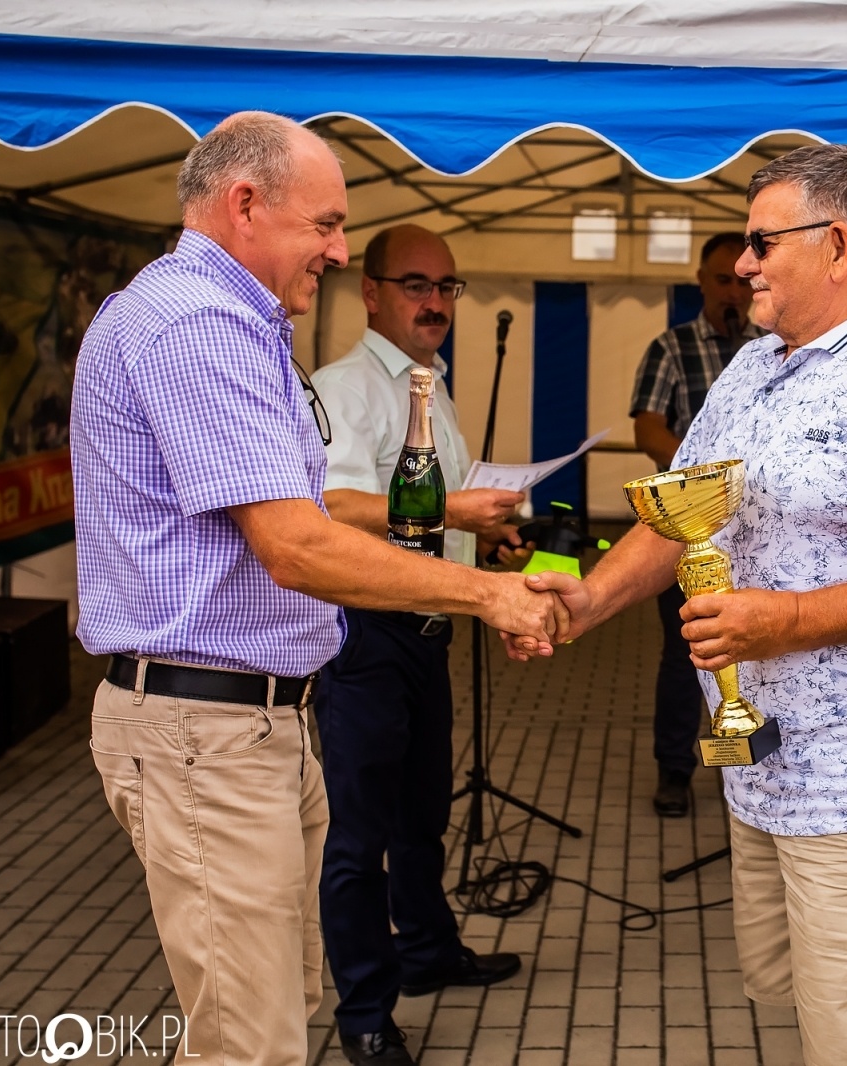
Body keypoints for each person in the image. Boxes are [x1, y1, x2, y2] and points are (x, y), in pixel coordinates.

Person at [510, 144, 847, 1066]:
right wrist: (586, 600)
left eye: (761, 241)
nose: (742, 261)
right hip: (774, 776)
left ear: (837, 244)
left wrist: (787, 621)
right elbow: (682, 507)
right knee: (809, 1015)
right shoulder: (755, 368)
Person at [69, 112, 566, 1066]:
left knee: (269, 1013)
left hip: (248, 721)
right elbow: (298, 543)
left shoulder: (224, 319)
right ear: (244, 203)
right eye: (326, 225)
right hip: (203, 731)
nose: (340, 253)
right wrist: (490, 598)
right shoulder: (197, 324)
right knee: (250, 1039)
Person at [309, 224, 526, 1065]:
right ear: (370, 292)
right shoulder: (343, 386)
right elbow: (327, 508)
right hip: (363, 635)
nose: (435, 302)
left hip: (429, 628)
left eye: (447, 288)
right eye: (415, 285)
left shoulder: (434, 389)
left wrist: (492, 542)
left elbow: (447, 518)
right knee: (359, 837)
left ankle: (429, 952)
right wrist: (450, 515)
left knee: (422, 815)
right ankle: (365, 1012)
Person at [628, 230, 762, 817]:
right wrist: (700, 477)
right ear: (702, 284)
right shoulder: (670, 347)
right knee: (686, 654)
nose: (733, 291)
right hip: (687, 532)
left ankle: (747, 763)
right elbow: (647, 429)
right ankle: (674, 770)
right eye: (722, 280)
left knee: (752, 649)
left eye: (741, 280)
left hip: (758, 537)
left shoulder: (772, 347)